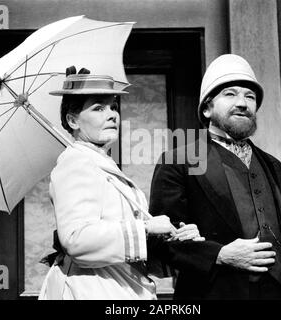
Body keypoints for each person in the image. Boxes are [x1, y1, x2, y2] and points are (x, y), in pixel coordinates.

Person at [149, 54, 281, 300]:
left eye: (250, 96)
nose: (242, 103)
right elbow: (160, 243)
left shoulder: (273, 166)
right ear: (207, 108)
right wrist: (219, 254)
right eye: (230, 94)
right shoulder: (177, 162)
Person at [38, 67, 203, 300]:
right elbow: (76, 240)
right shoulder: (75, 163)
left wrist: (176, 241)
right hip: (90, 290)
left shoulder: (102, 165)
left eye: (114, 107)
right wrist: (145, 228)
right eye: (98, 108)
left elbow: (128, 255)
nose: (113, 114)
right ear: (72, 120)